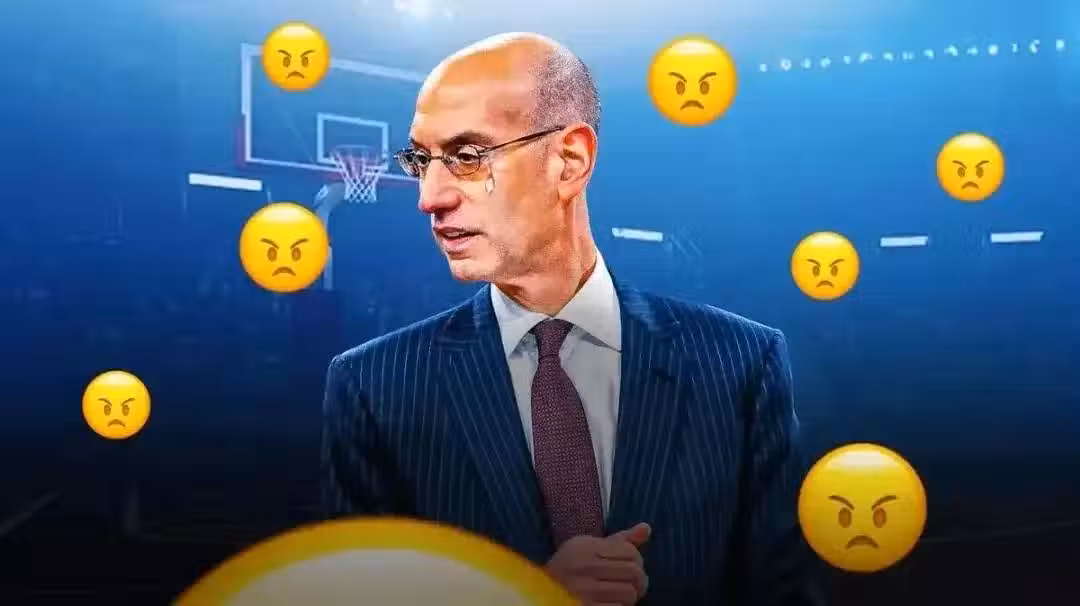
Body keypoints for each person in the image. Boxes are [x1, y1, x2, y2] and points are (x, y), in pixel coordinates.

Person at [322, 32, 823, 605]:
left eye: (467, 157)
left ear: (570, 161)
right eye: (420, 160)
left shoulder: (739, 363)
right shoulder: (375, 386)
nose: (430, 197)